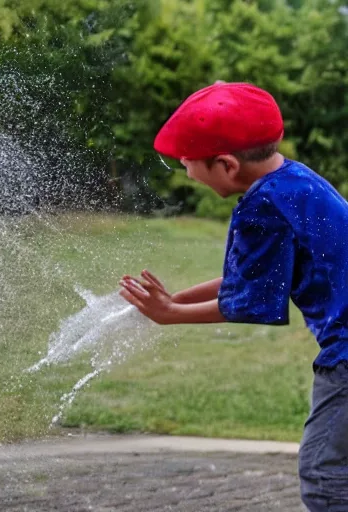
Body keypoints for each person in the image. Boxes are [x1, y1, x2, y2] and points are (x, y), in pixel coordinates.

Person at [119, 82, 348, 511]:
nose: (186, 173)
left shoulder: (262, 206)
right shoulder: (294, 182)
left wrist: (170, 314)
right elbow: (249, 279)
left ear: (225, 165)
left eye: (188, 165)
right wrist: (176, 301)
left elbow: (249, 302)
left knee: (324, 474)